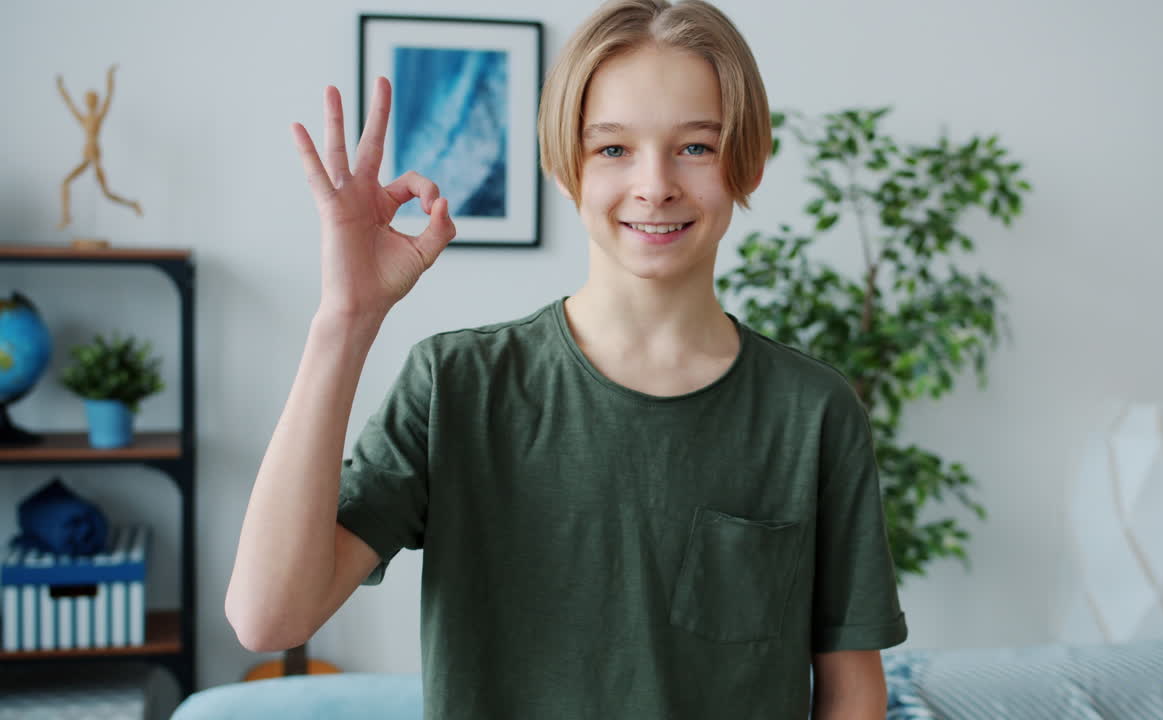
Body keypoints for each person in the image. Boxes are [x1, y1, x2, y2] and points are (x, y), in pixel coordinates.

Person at [225, 0, 907, 718]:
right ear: (561, 165)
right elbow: (269, 619)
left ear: (749, 162)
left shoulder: (814, 411)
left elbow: (853, 689)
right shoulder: (457, 386)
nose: (655, 185)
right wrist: (345, 318)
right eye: (613, 149)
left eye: (696, 147)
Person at [55, 64, 143, 229]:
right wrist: (61, 88)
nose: (89, 101)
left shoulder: (98, 117)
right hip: (86, 156)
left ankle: (132, 204)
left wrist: (110, 76)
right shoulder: (84, 118)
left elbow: (109, 96)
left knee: (106, 193)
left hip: (95, 156)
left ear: (95, 101)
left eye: (91, 99)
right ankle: (66, 217)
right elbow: (70, 104)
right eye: (87, 99)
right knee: (65, 183)